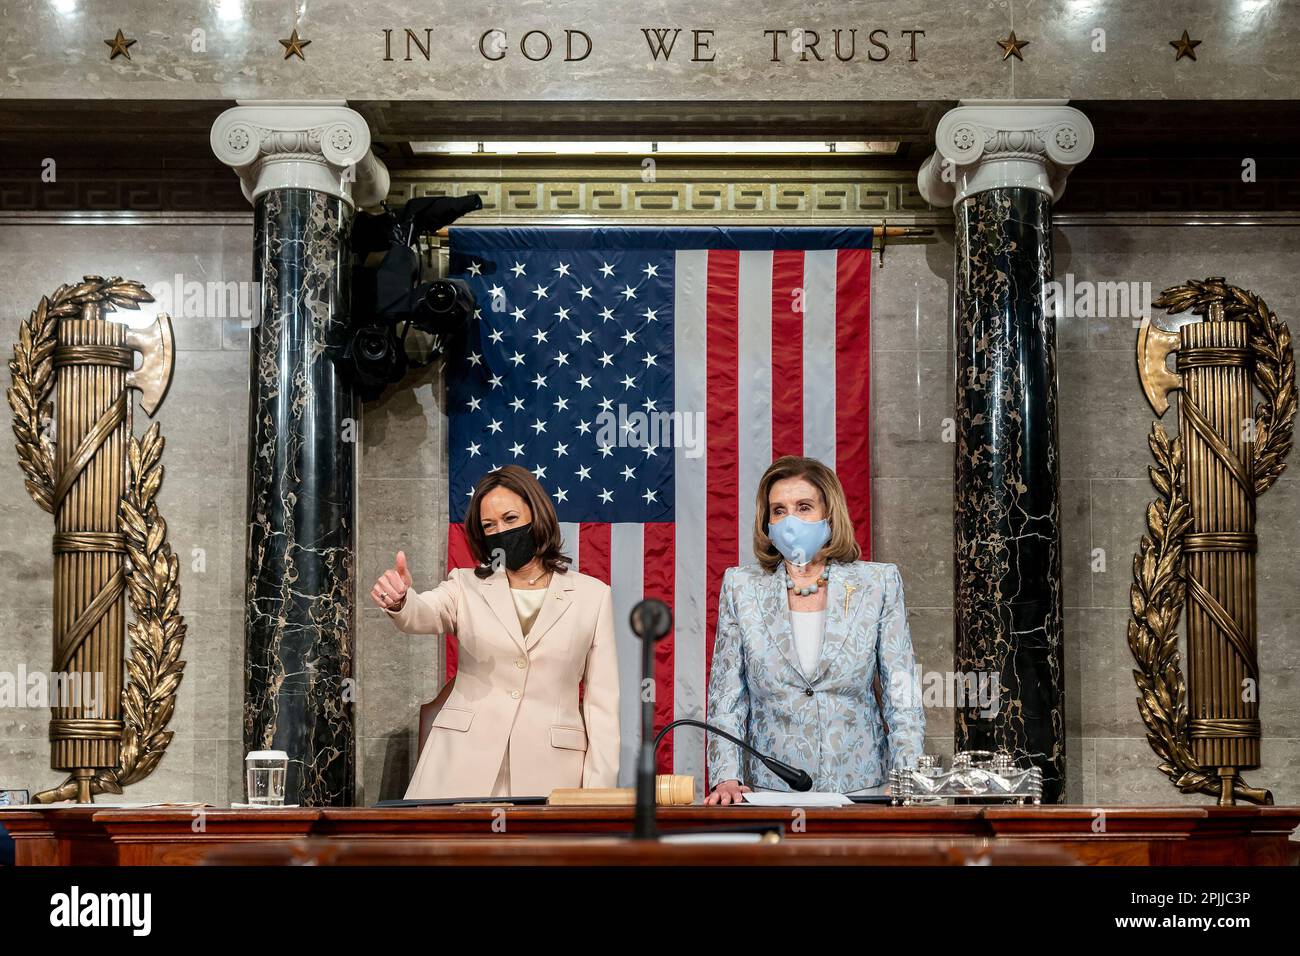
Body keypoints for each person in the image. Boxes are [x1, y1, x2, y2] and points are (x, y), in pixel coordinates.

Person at [372, 465, 619, 798]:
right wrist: (402, 601)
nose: (500, 530)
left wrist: (597, 798)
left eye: (511, 519)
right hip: (459, 768)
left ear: (537, 514)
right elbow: (425, 612)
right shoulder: (465, 584)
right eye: (489, 525)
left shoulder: (593, 596)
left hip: (551, 775)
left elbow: (602, 707)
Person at [705, 455, 924, 805]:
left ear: (829, 514)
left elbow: (902, 692)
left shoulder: (878, 583)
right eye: (778, 510)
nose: (789, 520)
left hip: (863, 790)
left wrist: (907, 776)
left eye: (803, 507)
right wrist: (726, 777)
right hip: (770, 793)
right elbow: (727, 697)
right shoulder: (740, 586)